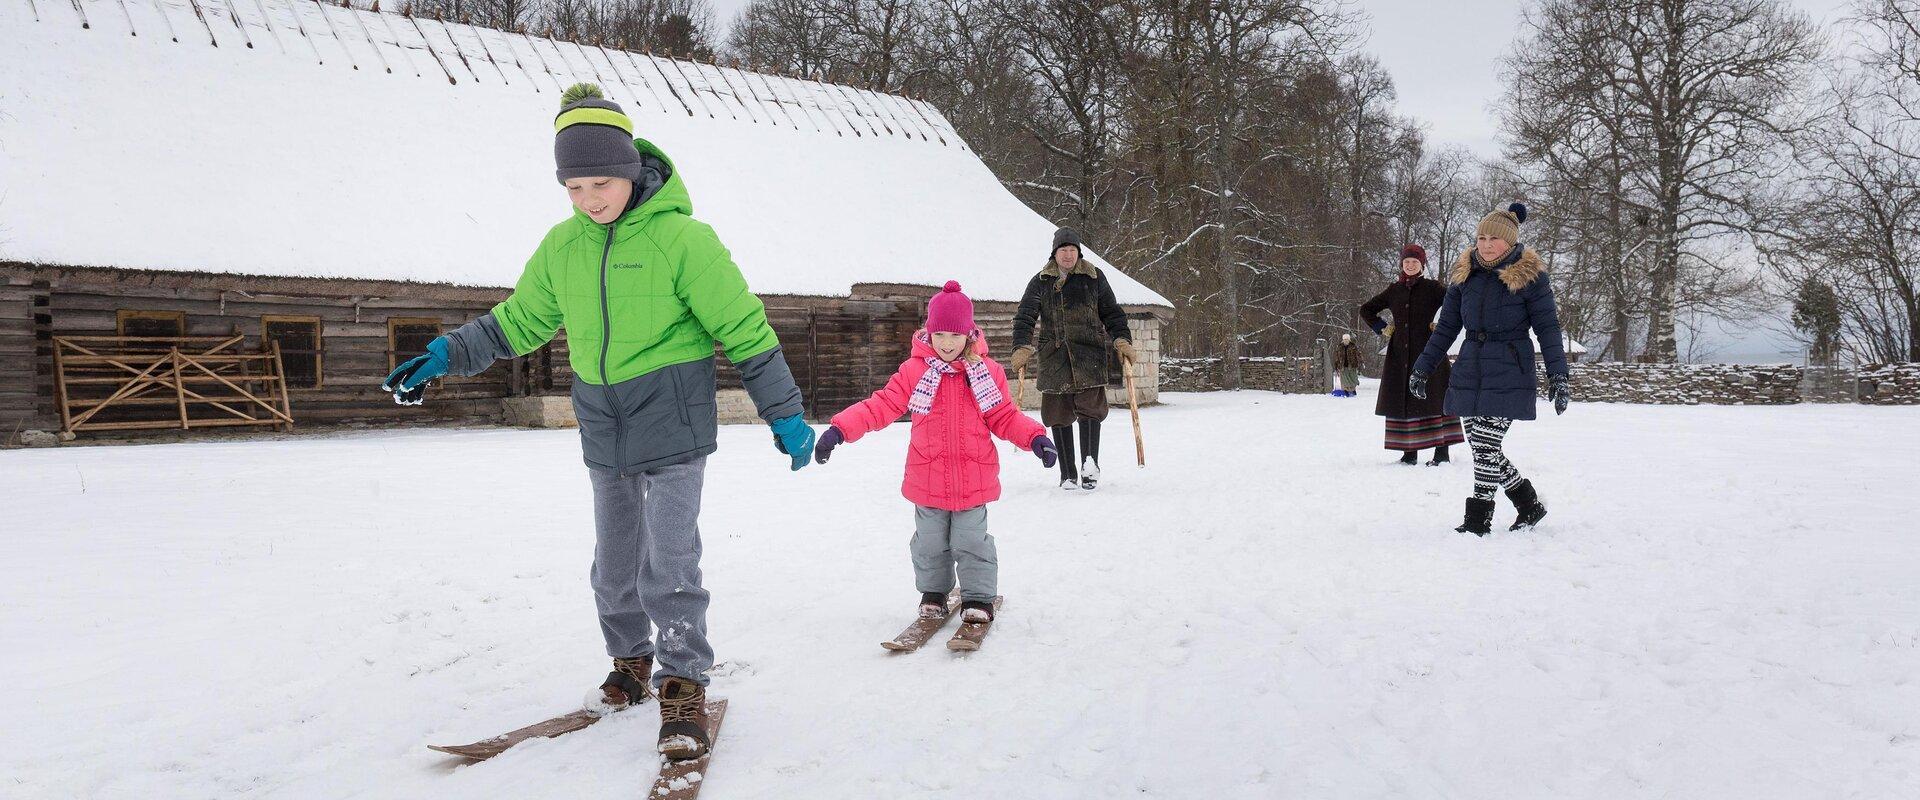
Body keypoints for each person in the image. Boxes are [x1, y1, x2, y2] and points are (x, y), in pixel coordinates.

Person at [380, 84, 815, 760]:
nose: (590, 198)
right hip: (605, 431)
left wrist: (784, 413)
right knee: (613, 568)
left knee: (669, 563)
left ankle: (683, 686)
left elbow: (744, 327)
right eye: (574, 185)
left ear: (633, 168)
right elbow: (518, 321)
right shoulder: (563, 248)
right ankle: (631, 662)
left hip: (672, 429)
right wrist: (446, 353)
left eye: (601, 181)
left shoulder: (683, 240)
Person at [813, 282, 1056, 623]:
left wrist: (1035, 438)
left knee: (971, 541)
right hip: (927, 477)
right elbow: (881, 406)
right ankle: (934, 592)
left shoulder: (986, 373)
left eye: (954, 336)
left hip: (974, 477)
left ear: (969, 336)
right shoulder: (915, 372)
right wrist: (840, 430)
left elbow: (1003, 415)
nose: (946, 343)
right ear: (928, 332)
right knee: (930, 544)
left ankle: (978, 598)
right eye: (939, 334)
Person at [1410, 204, 1571, 535]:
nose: (1485, 244)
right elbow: (1445, 328)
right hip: (1470, 366)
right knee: (1484, 446)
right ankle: (1528, 504)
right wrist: (1422, 368)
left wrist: (1558, 375)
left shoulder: (1531, 277)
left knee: (1484, 444)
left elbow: (1548, 328)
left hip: (1511, 366)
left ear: (1510, 242)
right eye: (1481, 237)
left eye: (1494, 238)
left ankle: (1478, 519)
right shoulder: (1464, 275)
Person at [1010, 228, 1138, 491]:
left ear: (1079, 253)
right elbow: (1025, 316)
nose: (1068, 255)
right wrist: (1021, 346)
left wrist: (1122, 339)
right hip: (1053, 357)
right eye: (1063, 250)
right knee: (1057, 414)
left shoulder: (1093, 278)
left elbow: (1112, 313)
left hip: (1088, 355)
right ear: (1054, 253)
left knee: (1091, 410)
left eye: (1072, 250)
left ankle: (1090, 468)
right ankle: (1067, 474)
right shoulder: (1041, 281)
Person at [1360, 244, 1464, 465]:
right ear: (1402, 264)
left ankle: (1442, 453)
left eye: (1414, 262)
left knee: (1435, 399)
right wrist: (1382, 327)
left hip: (1430, 353)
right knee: (1405, 400)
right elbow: (1366, 309)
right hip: (1400, 356)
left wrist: (1441, 324)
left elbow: (1456, 304)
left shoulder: (1433, 288)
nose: (1410, 265)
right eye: (1407, 262)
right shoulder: (1393, 290)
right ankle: (1409, 452)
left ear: (1422, 264)